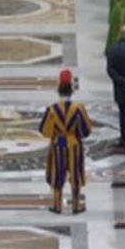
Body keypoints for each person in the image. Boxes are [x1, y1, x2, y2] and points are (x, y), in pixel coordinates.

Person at [39, 69, 93, 213]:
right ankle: (76, 205)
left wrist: (56, 134)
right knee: (75, 174)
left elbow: (44, 131)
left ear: (58, 90)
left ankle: (57, 205)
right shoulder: (78, 109)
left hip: (58, 144)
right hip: (74, 143)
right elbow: (86, 130)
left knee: (57, 173)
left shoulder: (51, 110)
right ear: (71, 90)